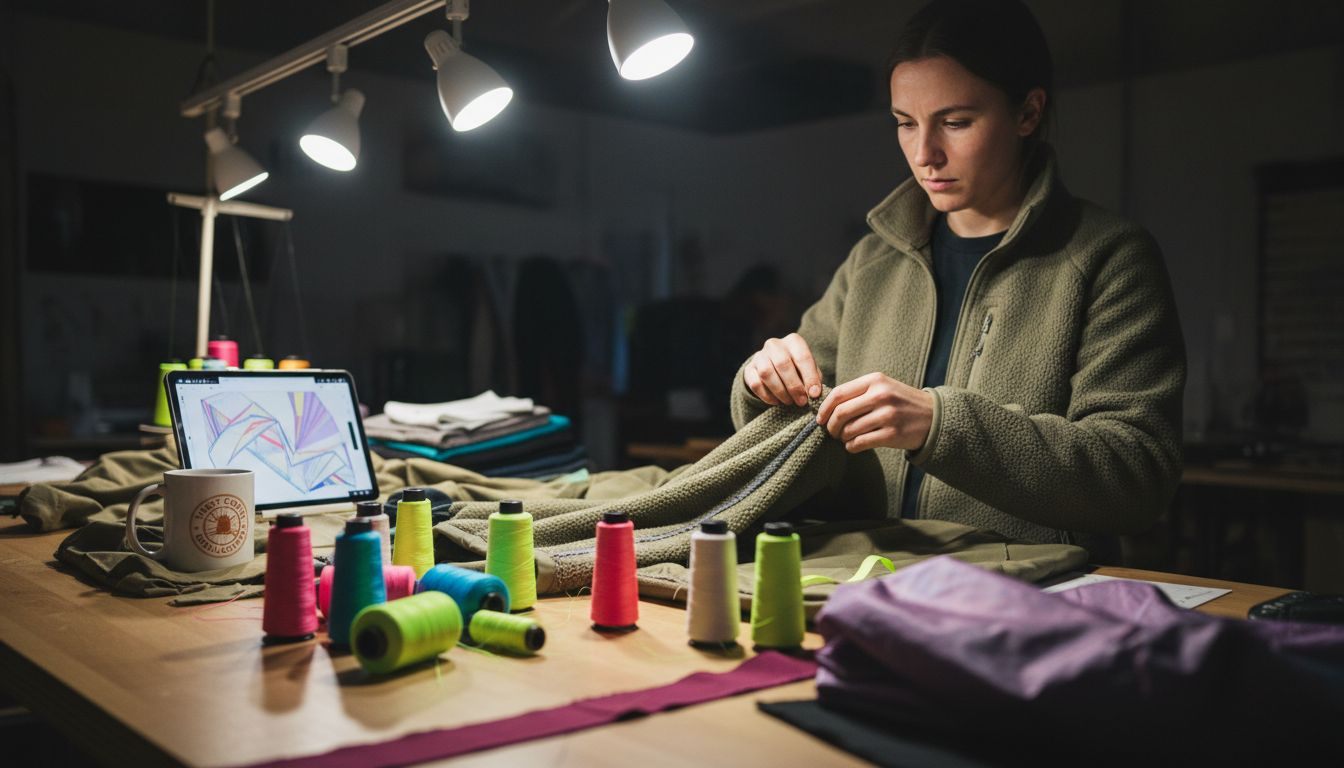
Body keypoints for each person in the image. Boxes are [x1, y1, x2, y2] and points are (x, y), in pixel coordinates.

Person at [731, 0, 1185, 563]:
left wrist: (941, 426)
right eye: (905, 123)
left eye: (956, 122)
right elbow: (790, 436)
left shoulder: (1108, 258)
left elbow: (1136, 477)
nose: (925, 154)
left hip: (1020, 592)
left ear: (1028, 113)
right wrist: (760, 383)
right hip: (858, 579)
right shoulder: (873, 262)